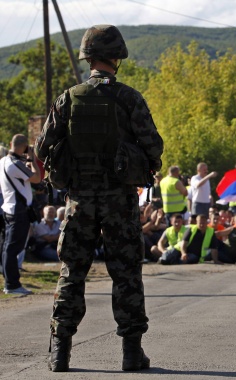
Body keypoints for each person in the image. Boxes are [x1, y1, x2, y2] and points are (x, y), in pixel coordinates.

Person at [35, 25, 164, 373]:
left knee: (71, 273)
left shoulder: (68, 97)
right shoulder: (129, 98)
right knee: (126, 274)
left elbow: (42, 147)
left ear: (87, 57)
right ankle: (131, 353)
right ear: (116, 57)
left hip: (79, 201)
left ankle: (60, 353)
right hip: (119, 201)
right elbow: (154, 145)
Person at [1, 134, 42, 294]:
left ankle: (10, 282)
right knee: (13, 249)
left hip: (8, 208)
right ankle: (12, 285)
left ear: (11, 143)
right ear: (25, 147)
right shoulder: (15, 163)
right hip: (18, 211)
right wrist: (32, 160)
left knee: (7, 247)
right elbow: (37, 178)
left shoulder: (3, 161)